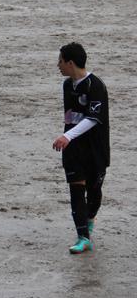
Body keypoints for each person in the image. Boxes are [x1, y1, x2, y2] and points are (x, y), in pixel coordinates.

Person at [52, 42, 109, 255]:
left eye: (60, 61)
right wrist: (68, 137)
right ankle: (83, 237)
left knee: (94, 191)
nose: (58, 65)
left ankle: (90, 220)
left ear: (70, 62)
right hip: (74, 149)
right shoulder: (67, 86)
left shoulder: (96, 86)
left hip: (96, 148)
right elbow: (71, 118)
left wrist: (67, 135)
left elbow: (93, 119)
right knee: (76, 191)